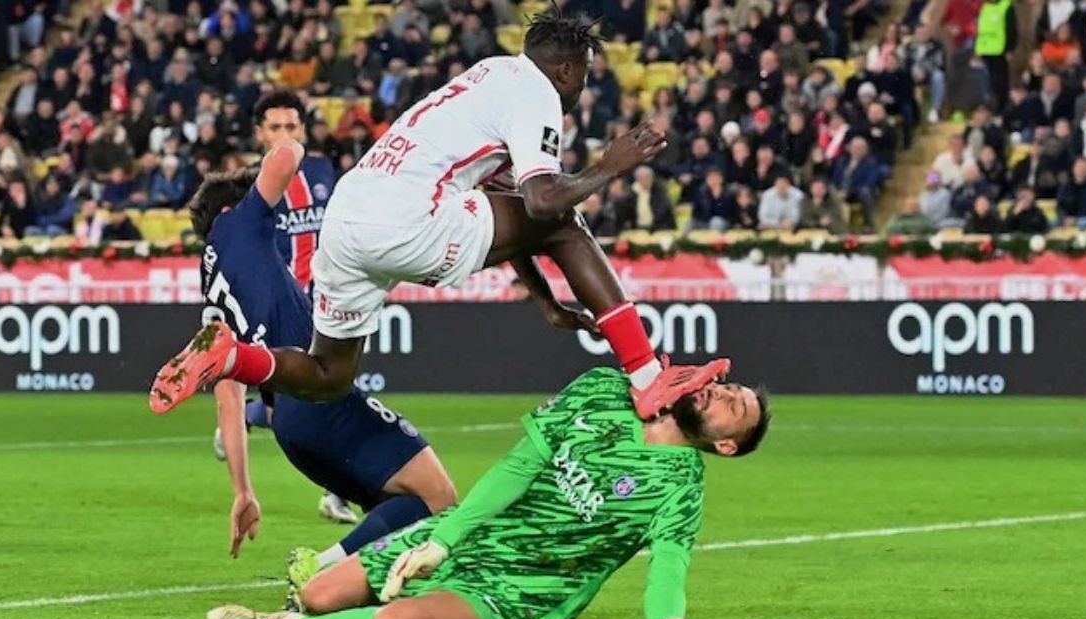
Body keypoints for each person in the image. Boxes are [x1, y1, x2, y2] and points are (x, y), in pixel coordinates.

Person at [151, 10, 726, 422]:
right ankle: (648, 377)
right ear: (570, 70)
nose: (581, 91)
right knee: (566, 221)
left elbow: (515, 211)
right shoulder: (538, 94)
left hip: (348, 216)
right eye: (586, 77)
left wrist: (546, 302)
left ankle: (234, 357)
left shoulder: (491, 76)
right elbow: (545, 205)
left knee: (329, 376)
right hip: (407, 216)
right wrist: (611, 165)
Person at [206, 365, 768, 619]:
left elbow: (669, 561)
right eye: (727, 387)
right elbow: (517, 469)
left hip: (526, 589)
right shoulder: (604, 389)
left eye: (734, 406)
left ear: (725, 445)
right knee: (320, 591)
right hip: (474, 534)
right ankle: (311, 610)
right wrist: (443, 539)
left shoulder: (681, 484)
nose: (721, 393)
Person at [190, 159, 457, 591]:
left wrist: (243, 490)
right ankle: (320, 570)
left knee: (403, 508)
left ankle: (356, 589)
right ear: (228, 213)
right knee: (439, 496)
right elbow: (286, 154)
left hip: (289, 430)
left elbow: (228, 397)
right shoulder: (239, 224)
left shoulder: (214, 289)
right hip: (317, 400)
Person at [210, 91, 360, 525]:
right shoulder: (251, 190)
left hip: (324, 302)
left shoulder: (321, 173)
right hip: (277, 310)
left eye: (292, 127)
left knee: (328, 397)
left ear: (304, 131)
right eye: (275, 128)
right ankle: (336, 486)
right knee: (304, 405)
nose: (284, 136)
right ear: (259, 134)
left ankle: (336, 491)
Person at [975, 0, 1018, 111]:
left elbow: (1011, 29)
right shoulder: (984, 6)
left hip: (1000, 51)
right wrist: (977, 50)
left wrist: (1010, 49)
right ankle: (987, 107)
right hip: (984, 51)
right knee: (986, 81)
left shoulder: (1006, 6)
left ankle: (1001, 109)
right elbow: (980, 29)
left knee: (1000, 82)